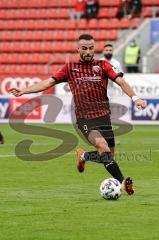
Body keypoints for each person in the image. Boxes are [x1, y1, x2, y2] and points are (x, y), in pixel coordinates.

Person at [9, 34, 146, 196]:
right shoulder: (69, 68)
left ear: (95, 48)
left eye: (91, 48)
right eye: (84, 48)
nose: (88, 51)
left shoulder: (103, 65)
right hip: (85, 118)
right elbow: (49, 82)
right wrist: (24, 90)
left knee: (108, 156)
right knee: (102, 147)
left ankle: (84, 155)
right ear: (78, 49)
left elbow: (121, 82)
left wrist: (135, 98)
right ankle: (123, 183)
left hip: (104, 117)